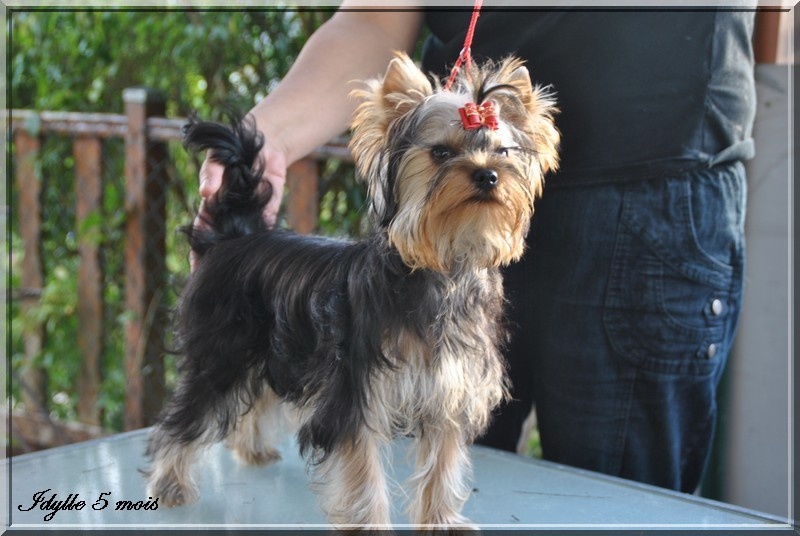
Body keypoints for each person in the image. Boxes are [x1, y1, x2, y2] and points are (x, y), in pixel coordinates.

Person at [197, 5, 755, 494]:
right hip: (430, 252)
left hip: (651, 197)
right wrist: (268, 136)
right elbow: (375, 15)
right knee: (428, 481)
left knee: (615, 501)